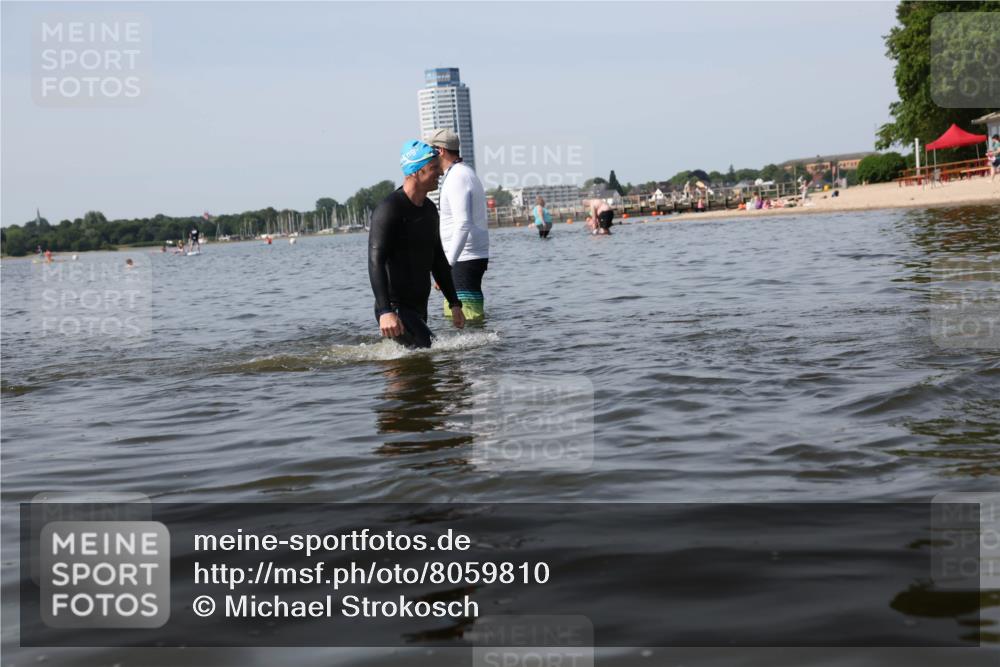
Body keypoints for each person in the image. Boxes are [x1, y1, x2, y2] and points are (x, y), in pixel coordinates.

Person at [368, 139, 465, 349]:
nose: (440, 172)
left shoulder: (429, 210)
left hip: (419, 306)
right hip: (395, 307)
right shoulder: (389, 209)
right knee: (431, 349)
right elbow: (376, 261)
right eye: (434, 168)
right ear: (416, 171)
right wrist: (385, 311)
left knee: (417, 363)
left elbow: (438, 259)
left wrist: (454, 303)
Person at [426, 128, 490, 323]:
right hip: (463, 256)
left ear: (440, 151)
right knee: (459, 318)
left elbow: (463, 223)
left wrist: (446, 266)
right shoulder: (460, 173)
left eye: (429, 152)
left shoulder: (457, 177)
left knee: (467, 320)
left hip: (463, 257)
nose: (427, 158)